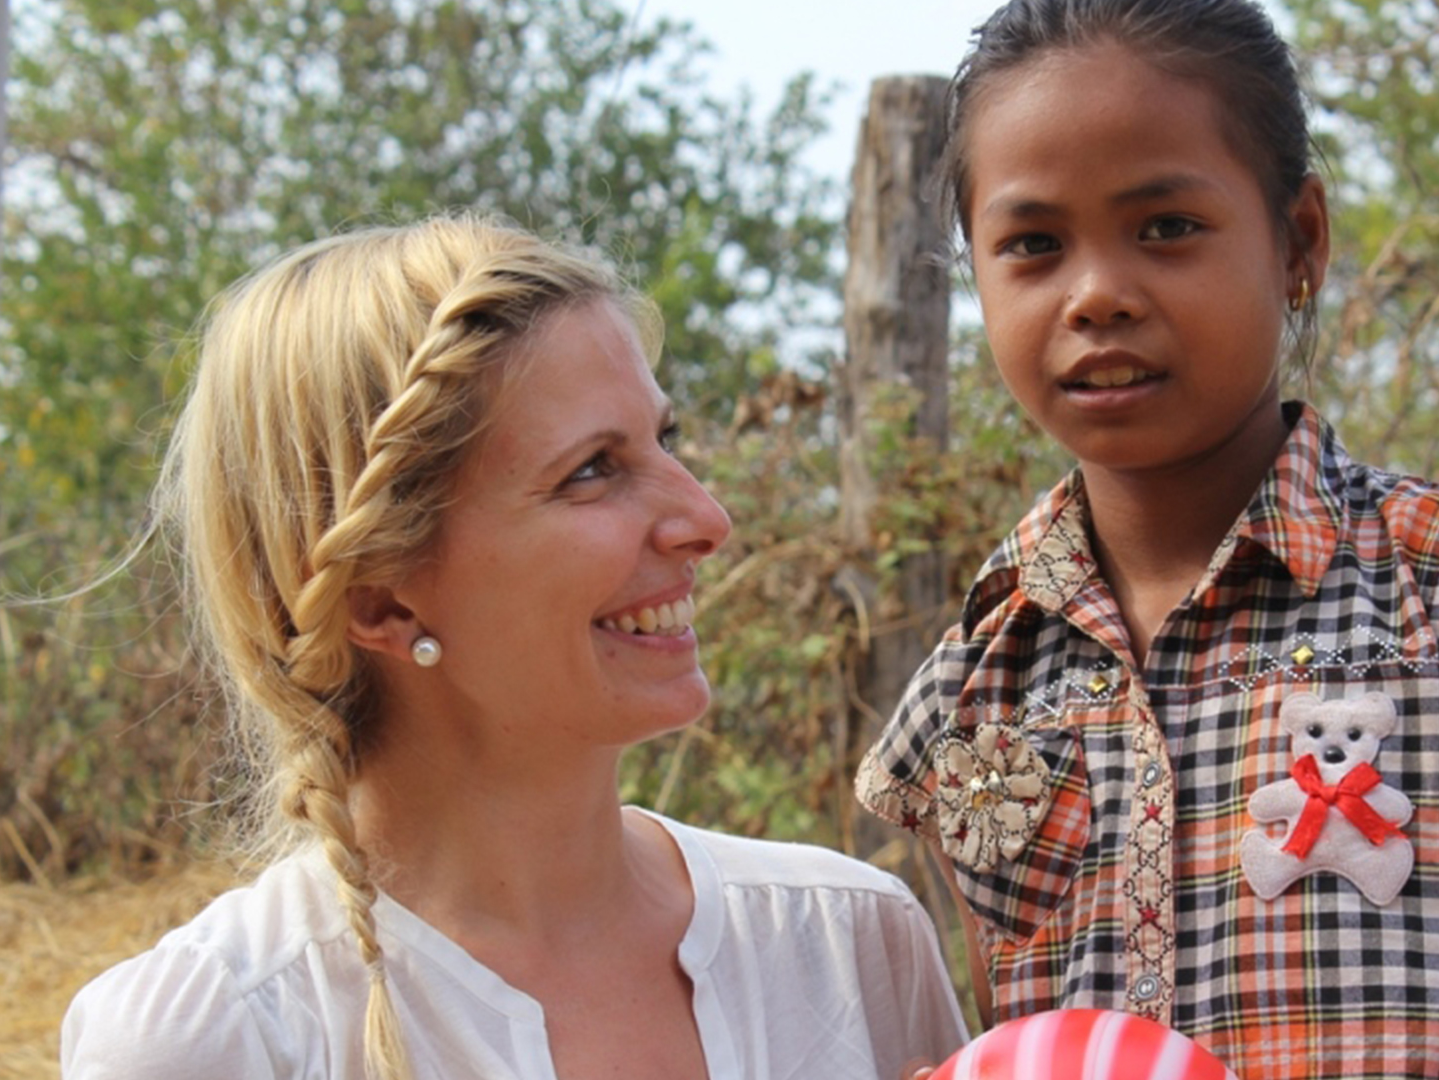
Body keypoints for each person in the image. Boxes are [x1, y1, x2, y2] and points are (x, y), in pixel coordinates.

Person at [854, 2, 1439, 1077]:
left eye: (1166, 227)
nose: (1096, 295)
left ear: (1300, 243)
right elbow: (1021, 1042)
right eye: (1034, 245)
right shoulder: (978, 680)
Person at [62, 216, 966, 1080]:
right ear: (379, 598)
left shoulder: (845, 945)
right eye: (591, 471)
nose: (705, 519)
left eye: (665, 439)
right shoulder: (221, 1040)